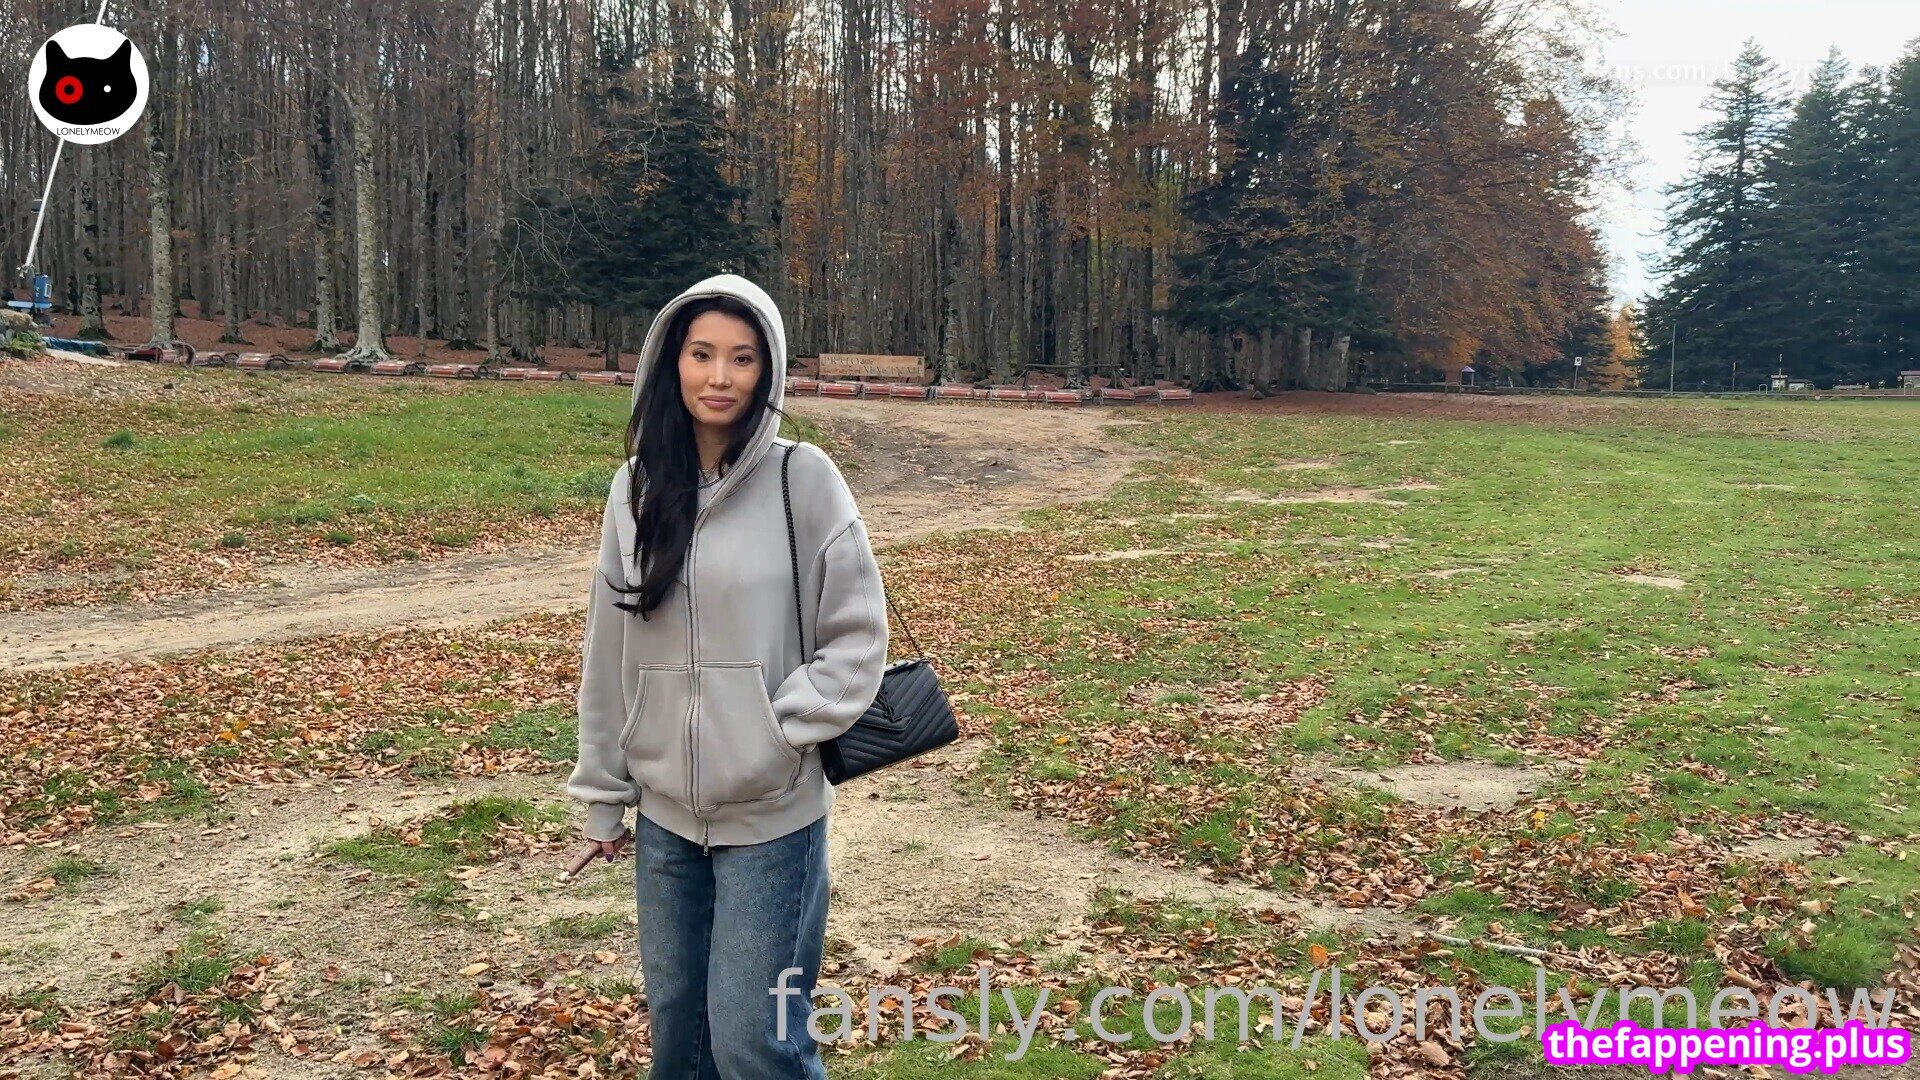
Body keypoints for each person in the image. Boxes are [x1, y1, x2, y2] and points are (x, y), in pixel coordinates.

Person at [564, 273, 891, 1079]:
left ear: (767, 369)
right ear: (669, 362)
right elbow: (609, 652)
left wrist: (774, 737)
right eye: (702, 354)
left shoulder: (802, 479)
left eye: (743, 358)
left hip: (774, 817)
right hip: (667, 824)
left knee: (755, 1043)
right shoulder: (637, 488)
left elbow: (857, 638)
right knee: (680, 1041)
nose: (720, 377)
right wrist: (604, 796)